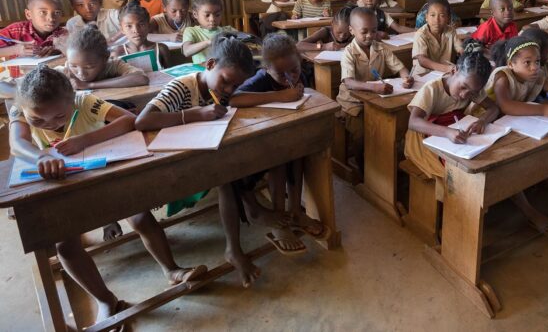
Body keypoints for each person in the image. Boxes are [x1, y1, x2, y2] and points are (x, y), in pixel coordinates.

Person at [10, 67, 205, 326]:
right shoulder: (19, 111)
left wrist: (84, 141)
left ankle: (171, 270)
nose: (52, 124)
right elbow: (17, 144)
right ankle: (106, 300)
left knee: (140, 217)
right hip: (61, 187)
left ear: (72, 100)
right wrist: (42, 156)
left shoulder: (84, 101)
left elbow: (127, 120)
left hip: (98, 176)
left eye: (59, 116)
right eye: (38, 121)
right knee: (66, 248)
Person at [136, 32, 257, 279]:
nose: (229, 90)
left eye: (236, 86)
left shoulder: (221, 91)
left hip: (203, 161)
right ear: (210, 64)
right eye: (226, 82)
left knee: (228, 178)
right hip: (171, 167)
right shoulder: (181, 87)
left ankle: (233, 248)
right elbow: (142, 121)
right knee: (228, 178)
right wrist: (195, 114)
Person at [228, 33, 327, 280]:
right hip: (259, 148)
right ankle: (279, 218)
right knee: (280, 161)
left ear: (299, 60)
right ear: (266, 69)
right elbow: (234, 99)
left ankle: (296, 212)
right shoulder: (261, 79)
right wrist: (278, 95)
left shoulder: (298, 74)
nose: (289, 78)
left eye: (293, 71)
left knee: (298, 157)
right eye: (280, 75)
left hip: (289, 140)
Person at [486, 35, 548, 235]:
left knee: (542, 155)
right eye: (527, 63)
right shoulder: (503, 77)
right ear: (511, 64)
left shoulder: (537, 76)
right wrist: (542, 110)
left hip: (519, 125)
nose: (534, 67)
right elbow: (505, 105)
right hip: (489, 126)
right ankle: (530, 213)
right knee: (511, 165)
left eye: (537, 62)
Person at [336, 8, 413, 169]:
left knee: (389, 125)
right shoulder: (348, 52)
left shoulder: (381, 48)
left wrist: (406, 77)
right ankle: (362, 165)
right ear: (351, 30)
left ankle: (383, 161)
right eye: (364, 31)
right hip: (353, 102)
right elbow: (349, 82)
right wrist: (374, 87)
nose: (370, 35)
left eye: (374, 31)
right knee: (362, 134)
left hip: (376, 99)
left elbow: (400, 68)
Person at [404, 51, 499, 181]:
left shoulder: (473, 88)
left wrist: (482, 121)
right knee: (455, 172)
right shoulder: (432, 89)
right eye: (463, 87)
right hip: (424, 139)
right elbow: (413, 122)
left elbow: (493, 108)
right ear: (454, 71)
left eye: (472, 93)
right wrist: (447, 132)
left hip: (455, 135)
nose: (465, 95)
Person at [58, 24, 148, 90]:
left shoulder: (112, 65)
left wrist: (89, 85)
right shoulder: (66, 71)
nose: (81, 73)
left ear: (105, 58)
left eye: (89, 67)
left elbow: (141, 78)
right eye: (74, 66)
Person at [0, 0, 66, 58]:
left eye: (57, 12)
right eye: (42, 12)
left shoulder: (64, 34)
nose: (51, 18)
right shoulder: (15, 31)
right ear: (28, 14)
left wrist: (59, 51)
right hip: (21, 69)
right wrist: (15, 50)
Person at [112, 1, 171, 70]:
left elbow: (171, 75)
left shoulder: (161, 49)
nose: (136, 30)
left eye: (141, 24)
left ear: (148, 26)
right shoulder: (118, 53)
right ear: (122, 29)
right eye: (129, 26)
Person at [411, 0, 462, 76]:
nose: (436, 20)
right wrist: (446, 68)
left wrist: (466, 55)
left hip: (443, 74)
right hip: (423, 75)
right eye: (432, 15)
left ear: (448, 18)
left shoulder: (451, 31)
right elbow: (422, 60)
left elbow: (461, 49)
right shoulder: (420, 34)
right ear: (426, 17)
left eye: (442, 16)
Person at [183, 0, 236, 65]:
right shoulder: (191, 31)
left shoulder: (228, 30)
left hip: (226, 68)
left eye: (217, 15)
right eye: (207, 15)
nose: (212, 19)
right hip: (203, 72)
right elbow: (187, 51)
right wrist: (210, 42)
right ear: (195, 14)